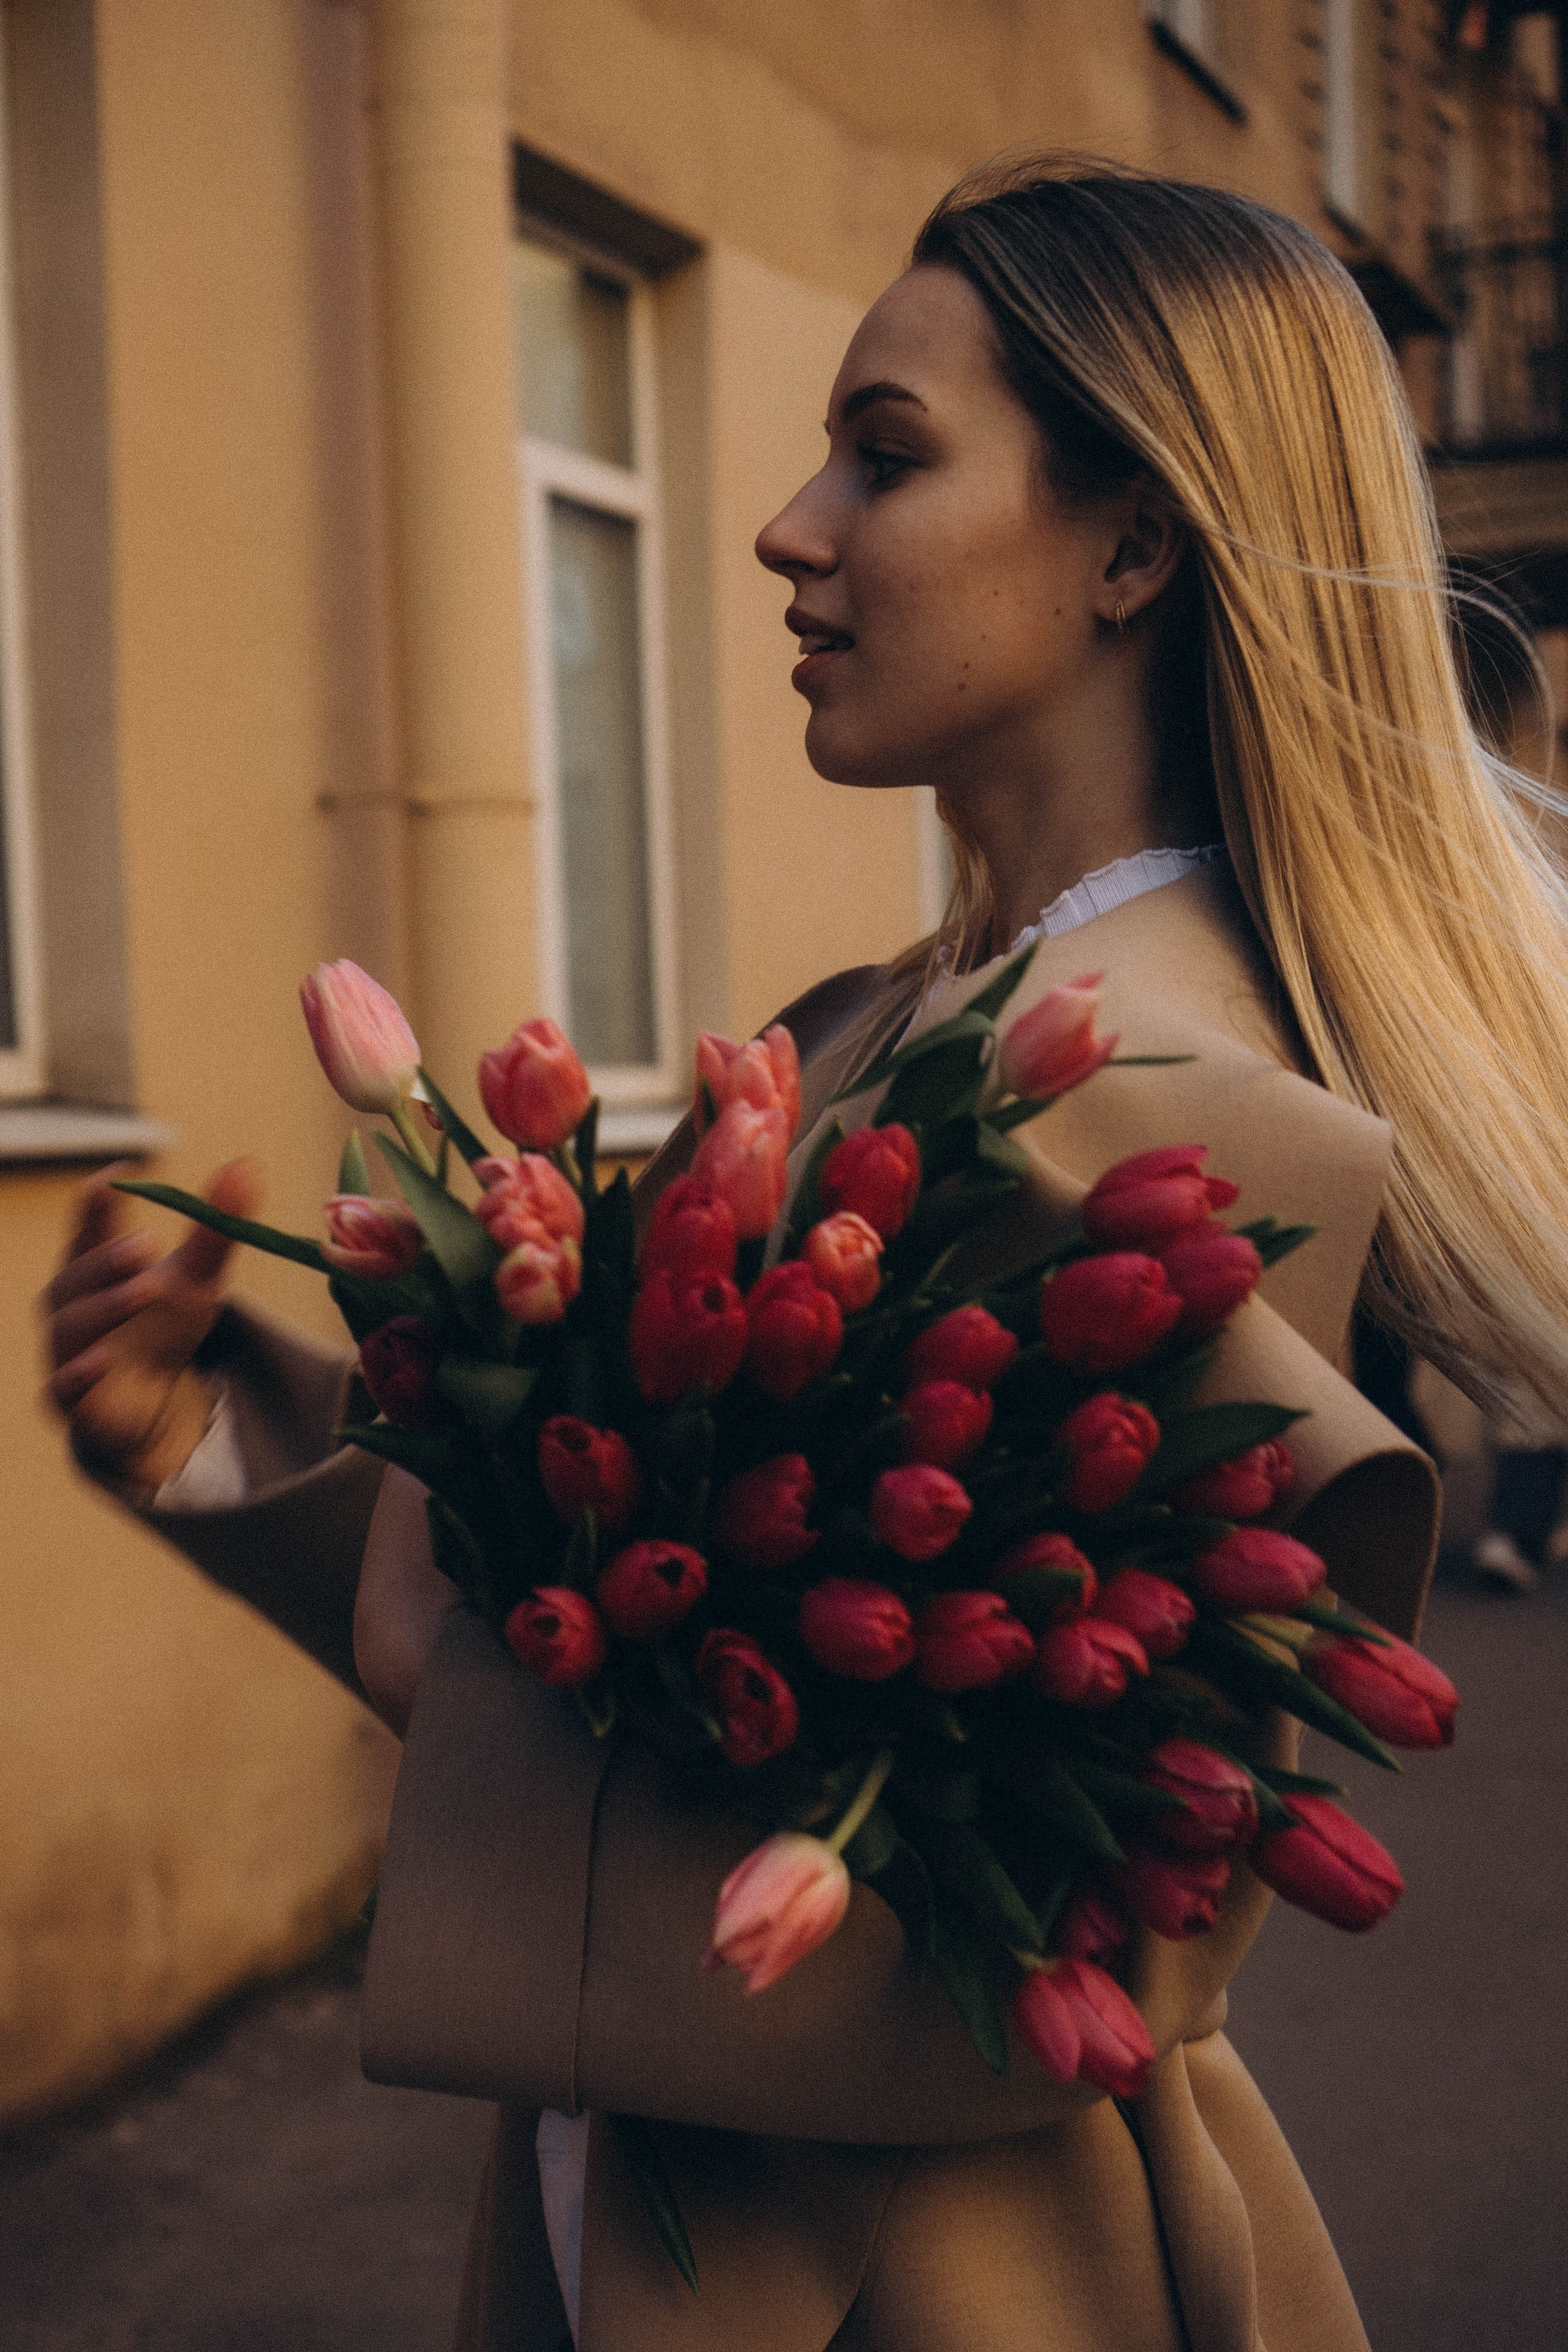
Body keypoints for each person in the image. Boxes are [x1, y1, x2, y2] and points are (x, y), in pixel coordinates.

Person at [42, 153, 1568, 2350]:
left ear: (1134, 542)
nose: (786, 525)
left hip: (924, 2281)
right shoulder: (898, 1024)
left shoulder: (1175, 1101)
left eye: (888, 455)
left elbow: (1008, 1905)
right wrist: (220, 1426)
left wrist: (426, 1618)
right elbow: (646, 1599)